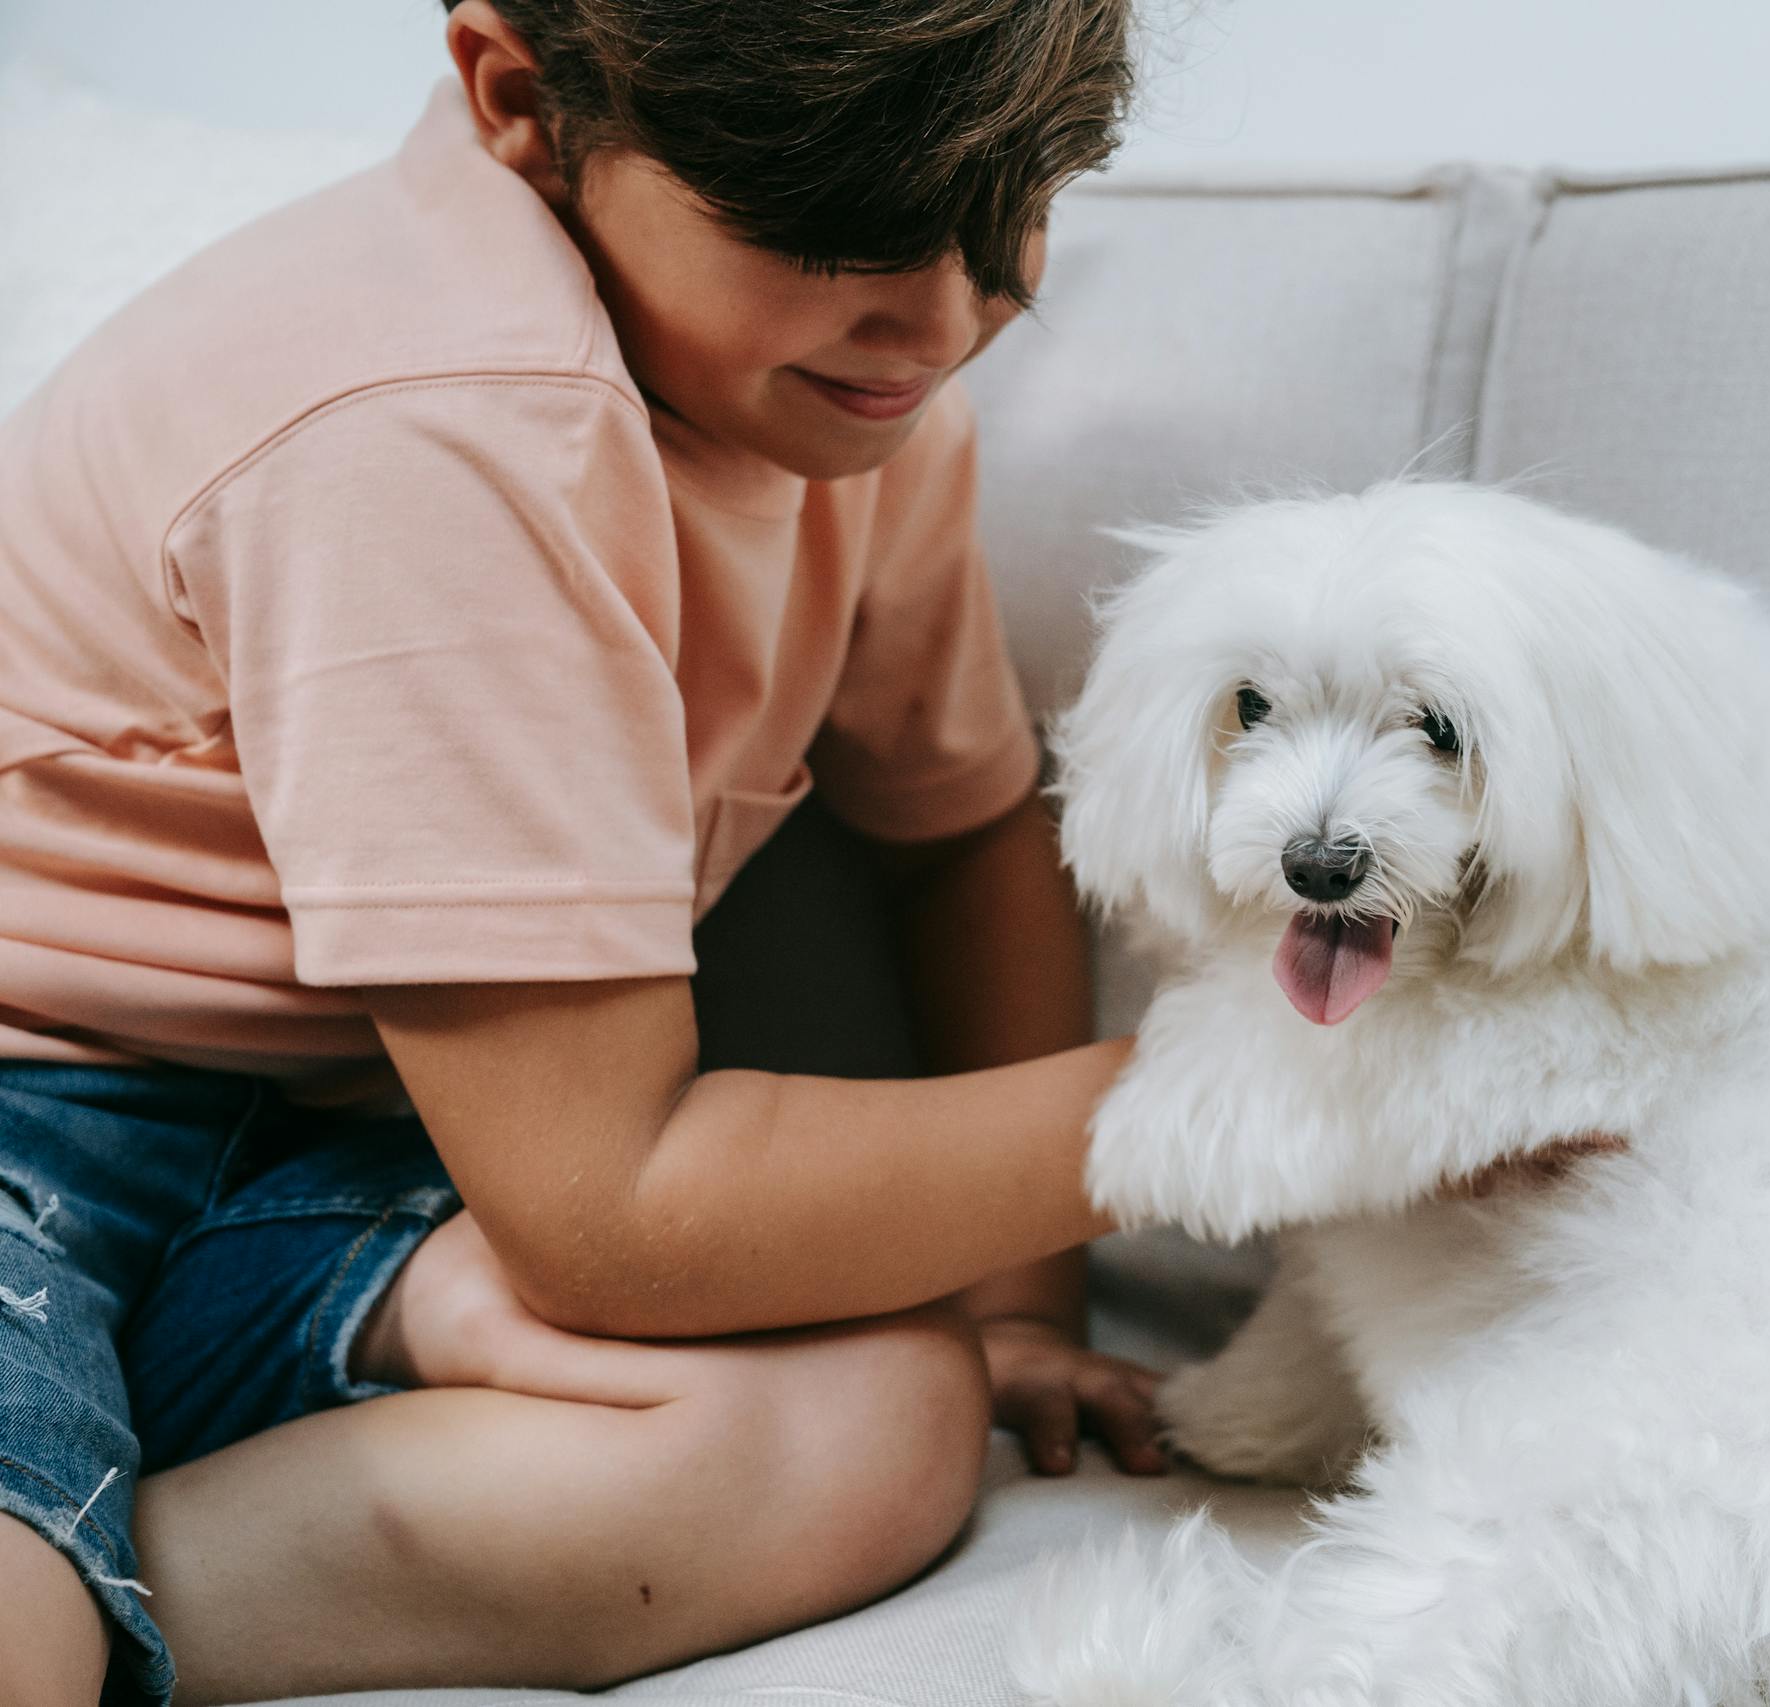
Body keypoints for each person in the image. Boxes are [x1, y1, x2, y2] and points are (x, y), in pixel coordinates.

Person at [0, 3, 1159, 1701]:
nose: (946, 314)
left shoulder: (850, 403)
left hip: (335, 1160)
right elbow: (609, 1216)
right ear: (526, 102)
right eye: (836, 223)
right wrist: (1266, 1099)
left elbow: (963, 821)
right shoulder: (435, 421)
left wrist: (1025, 1310)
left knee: (888, 1412)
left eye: (1010, 209)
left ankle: (90, 1555)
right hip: (37, 1114)